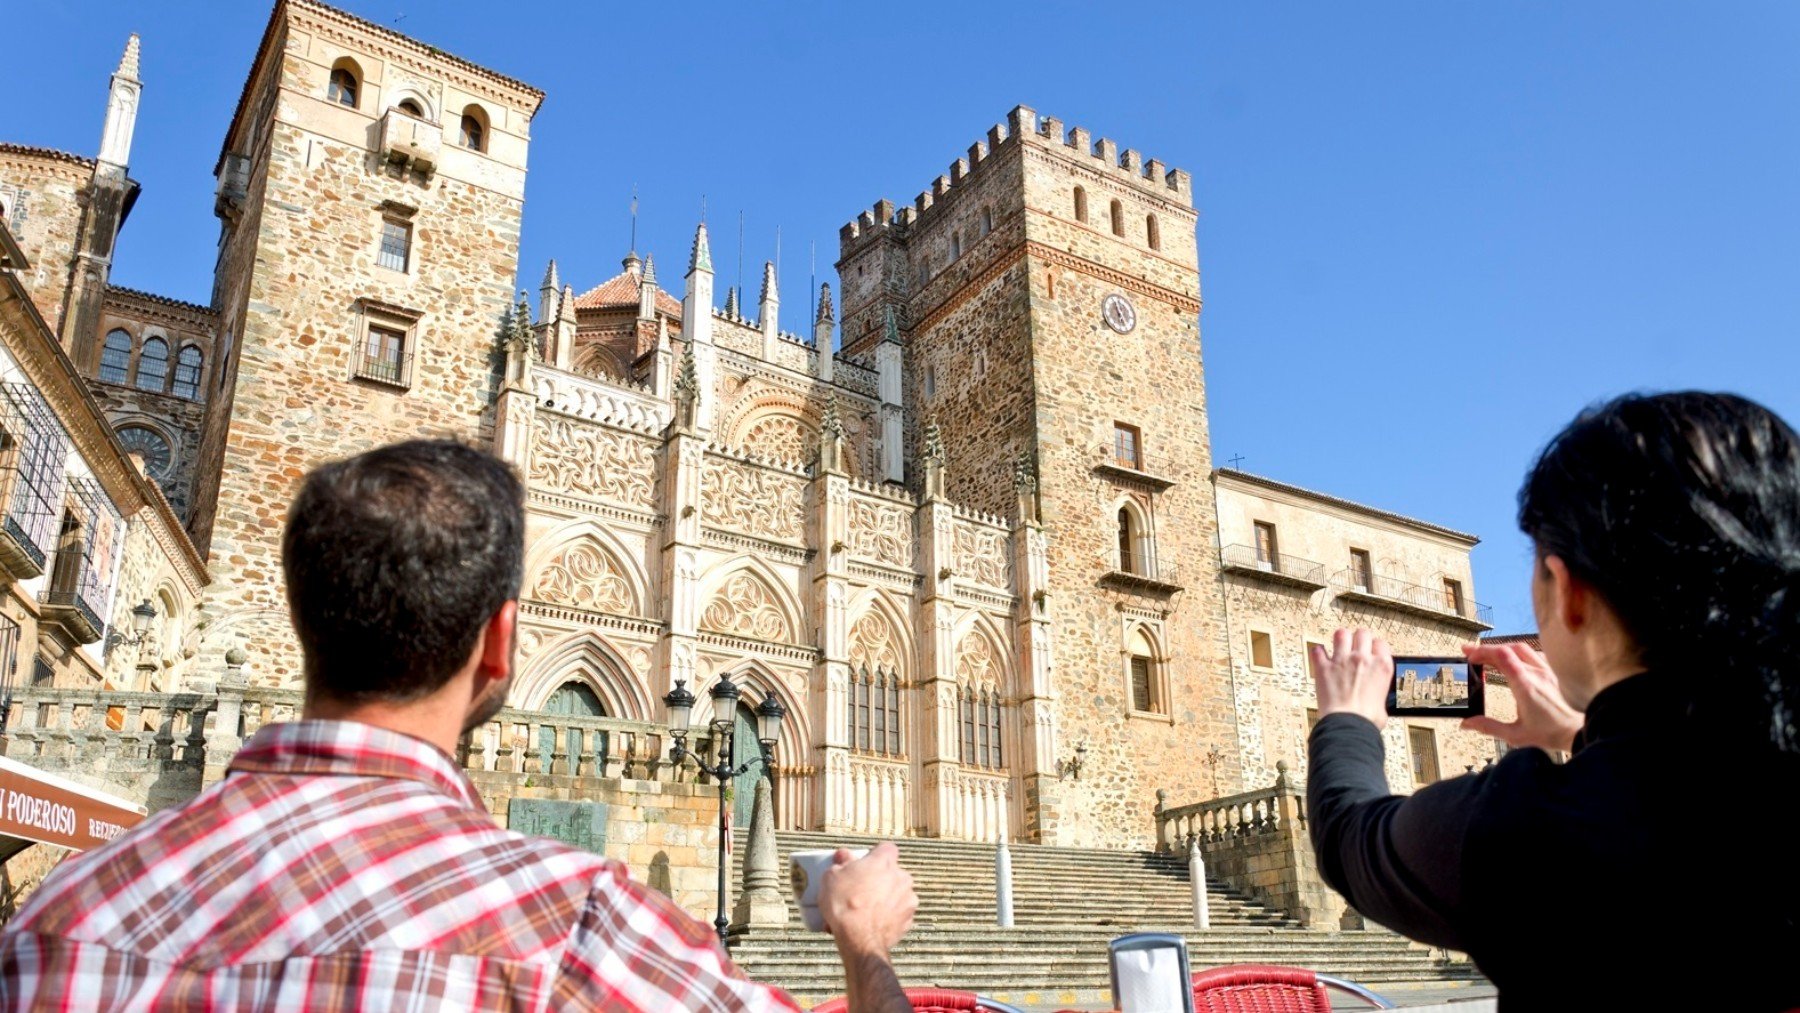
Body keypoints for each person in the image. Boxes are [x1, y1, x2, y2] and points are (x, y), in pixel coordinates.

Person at [0, 440, 919, 1012]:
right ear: (501, 643)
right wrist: (862, 941)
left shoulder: (55, 920)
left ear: (303, 614)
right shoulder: (580, 928)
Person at [1307, 392, 1800, 1011]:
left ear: (1568, 593)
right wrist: (1584, 735)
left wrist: (1348, 719)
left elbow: (1350, 838)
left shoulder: (1529, 826)